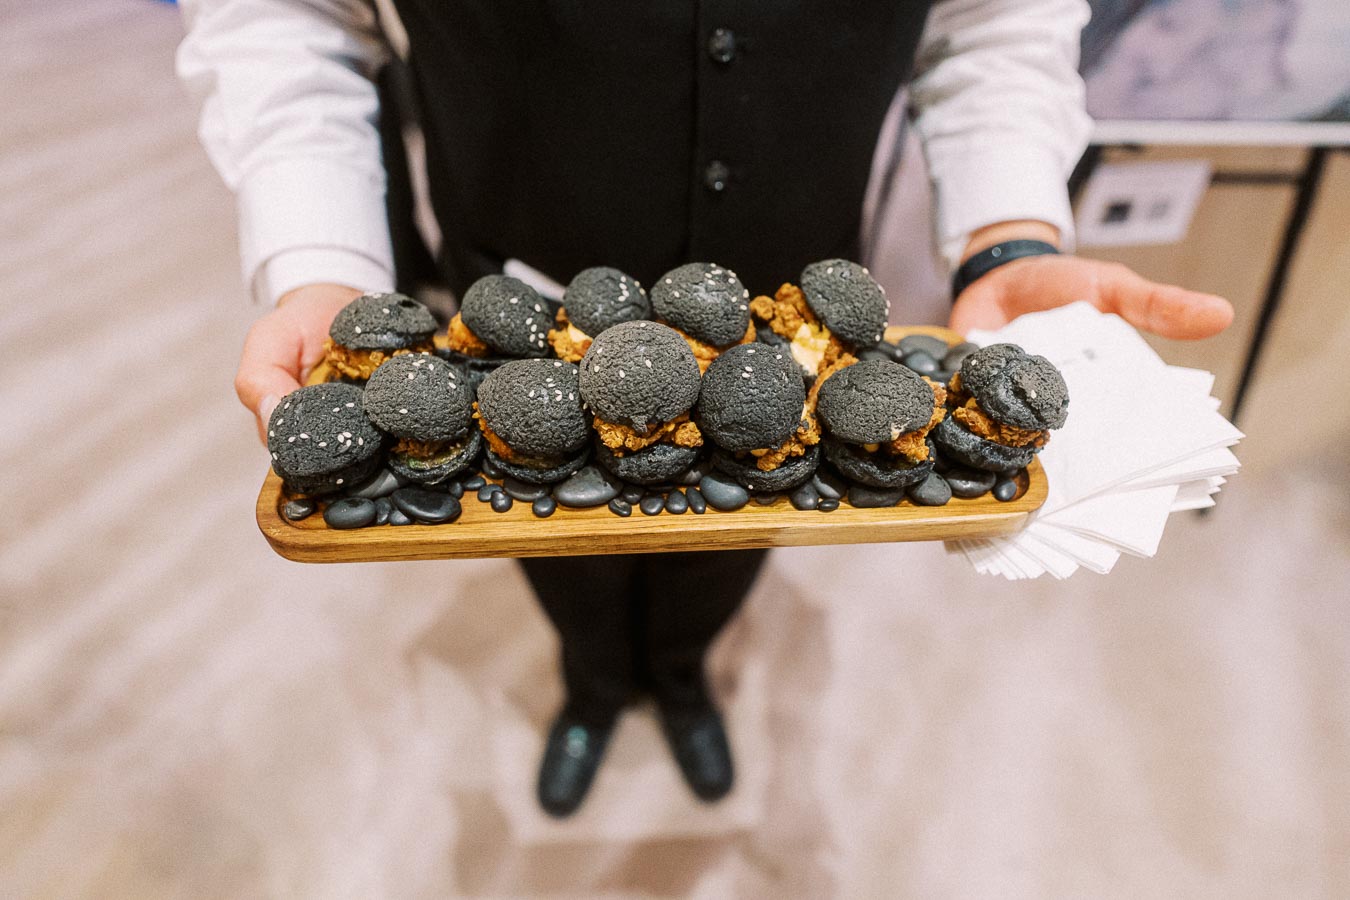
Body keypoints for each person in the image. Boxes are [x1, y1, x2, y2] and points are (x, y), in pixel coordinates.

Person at [178, 0, 1233, 818]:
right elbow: (288, 15)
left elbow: (990, 21)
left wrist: (1009, 228)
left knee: (733, 543)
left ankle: (684, 679)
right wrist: (315, 251)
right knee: (555, 547)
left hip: (786, 320)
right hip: (527, 288)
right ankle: (591, 685)